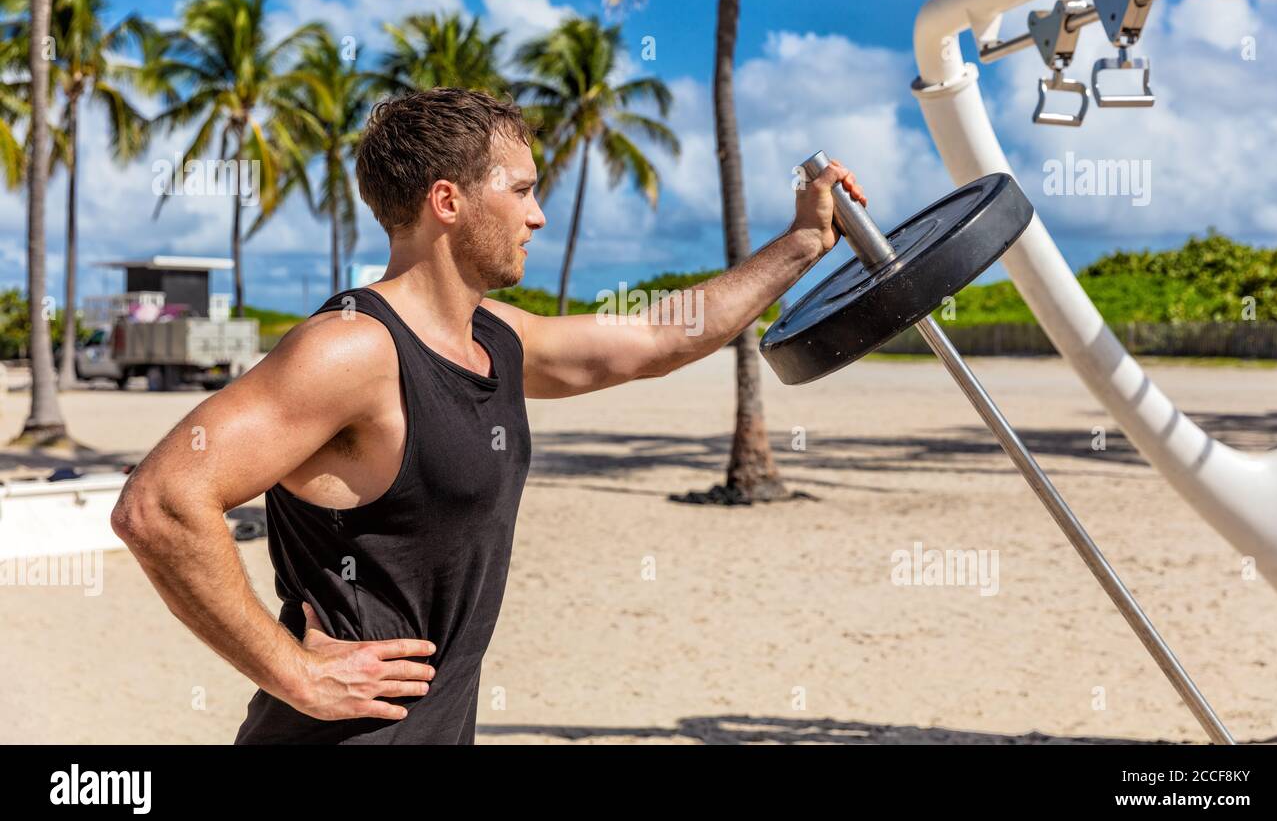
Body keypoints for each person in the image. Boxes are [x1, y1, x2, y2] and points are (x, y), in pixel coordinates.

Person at [111, 87, 866, 744]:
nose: (537, 217)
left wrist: (802, 244)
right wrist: (295, 674)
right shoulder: (353, 351)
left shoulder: (497, 337)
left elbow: (657, 337)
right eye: (522, 191)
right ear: (448, 200)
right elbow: (161, 503)